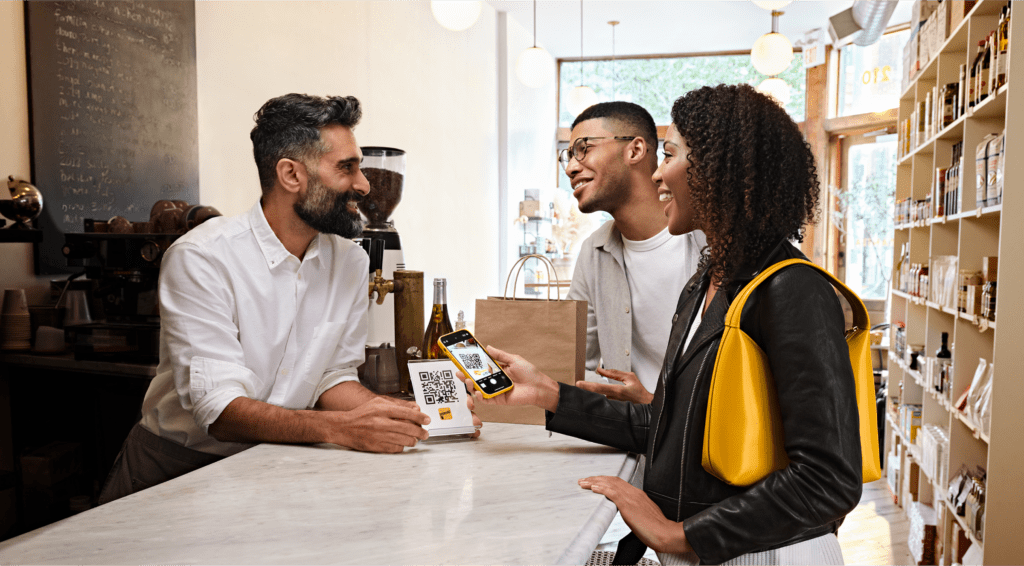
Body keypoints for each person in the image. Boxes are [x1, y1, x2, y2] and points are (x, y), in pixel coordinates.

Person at [465, 84, 862, 565]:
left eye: (670, 153)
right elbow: (666, 424)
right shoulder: (705, 284)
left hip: (767, 554)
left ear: (719, 169)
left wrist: (677, 536)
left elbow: (827, 480)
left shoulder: (791, 289)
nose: (657, 172)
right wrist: (549, 395)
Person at [99, 94, 449, 504]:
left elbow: (331, 377)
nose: (364, 185)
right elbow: (220, 410)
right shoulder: (202, 257)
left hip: (273, 464)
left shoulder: (350, 261)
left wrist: (411, 418)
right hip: (175, 469)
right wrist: (340, 428)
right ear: (290, 174)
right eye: (347, 167)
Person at [562, 101, 705, 405]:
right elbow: (574, 363)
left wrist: (652, 403)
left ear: (636, 151)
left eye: (583, 149)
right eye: (568, 156)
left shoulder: (707, 240)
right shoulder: (594, 251)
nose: (570, 167)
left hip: (698, 441)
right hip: (628, 443)